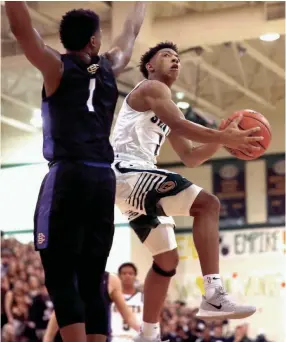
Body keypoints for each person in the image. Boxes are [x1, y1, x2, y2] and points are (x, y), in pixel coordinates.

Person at [5, 2, 146, 342]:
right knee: (92, 277)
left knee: (60, 275)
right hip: (102, 179)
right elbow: (130, 33)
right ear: (95, 42)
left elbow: (23, 30)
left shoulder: (56, 66)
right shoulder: (111, 65)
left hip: (68, 176)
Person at [111, 42, 261, 342]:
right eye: (167, 56)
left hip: (130, 183)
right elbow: (180, 124)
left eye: (178, 58)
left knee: (166, 261)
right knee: (208, 204)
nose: (175, 61)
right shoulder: (151, 87)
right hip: (127, 170)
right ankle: (214, 293)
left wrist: (222, 138)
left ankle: (149, 334)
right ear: (151, 66)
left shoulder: (167, 105)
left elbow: (191, 157)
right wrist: (223, 134)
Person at [43, 272, 140, 342]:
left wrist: (147, 332)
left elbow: (128, 315)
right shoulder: (70, 279)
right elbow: (60, 311)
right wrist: (48, 338)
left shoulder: (111, 280)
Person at [112, 263, 144, 341]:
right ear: (119, 276)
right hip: (115, 338)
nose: (127, 276)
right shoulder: (111, 297)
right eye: (124, 273)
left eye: (130, 273)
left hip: (136, 338)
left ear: (135, 276)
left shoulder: (143, 297)